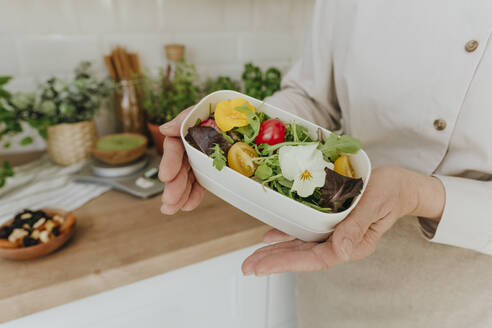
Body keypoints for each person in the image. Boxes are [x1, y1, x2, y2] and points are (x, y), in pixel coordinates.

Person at [158, 1, 492, 327]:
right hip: (332, 237)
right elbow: (312, 98)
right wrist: (237, 129)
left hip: (461, 289)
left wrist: (420, 194)